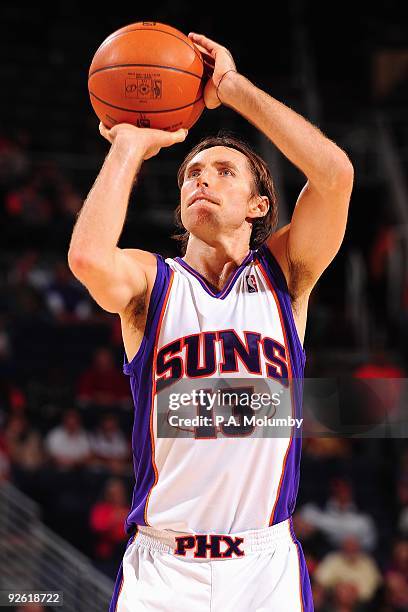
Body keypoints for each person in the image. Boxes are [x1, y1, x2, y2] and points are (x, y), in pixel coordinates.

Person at [68, 31, 353, 612]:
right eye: (192, 173)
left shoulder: (286, 274)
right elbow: (88, 259)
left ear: (257, 205)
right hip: (163, 567)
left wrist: (232, 88)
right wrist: (127, 145)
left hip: (262, 565)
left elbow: (334, 175)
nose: (202, 178)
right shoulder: (153, 285)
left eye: (224, 170)